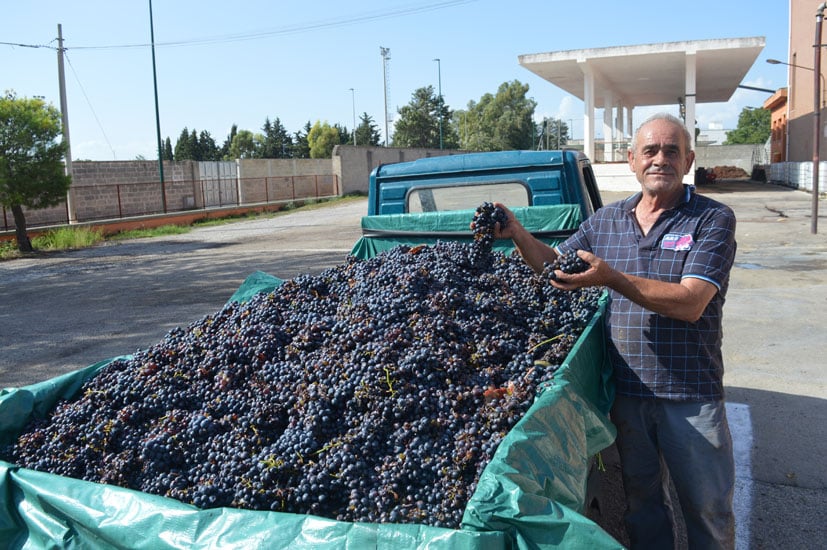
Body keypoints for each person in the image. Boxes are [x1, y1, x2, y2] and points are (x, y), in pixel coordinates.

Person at [493, 112, 737, 549]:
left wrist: (612, 279)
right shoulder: (607, 221)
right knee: (642, 500)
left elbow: (691, 301)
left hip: (690, 393)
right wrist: (517, 234)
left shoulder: (711, 219)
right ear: (631, 160)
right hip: (628, 391)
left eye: (671, 151)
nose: (660, 159)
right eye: (650, 150)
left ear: (689, 160)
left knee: (706, 507)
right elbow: (554, 265)